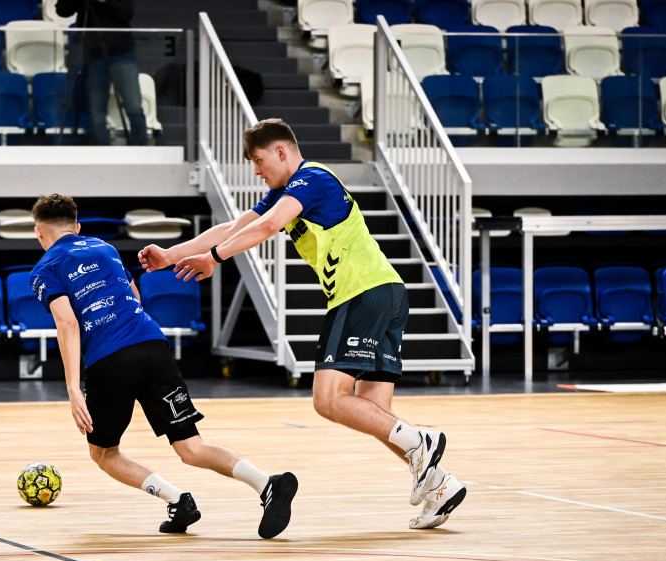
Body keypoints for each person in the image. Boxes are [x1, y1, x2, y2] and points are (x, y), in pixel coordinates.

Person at [138, 118, 467, 530]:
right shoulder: (286, 191)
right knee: (375, 413)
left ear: (281, 152)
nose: (257, 171)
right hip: (386, 292)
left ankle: (424, 441)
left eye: (259, 161)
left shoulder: (311, 179)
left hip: (360, 293)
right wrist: (172, 254)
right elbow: (237, 225)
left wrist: (215, 259)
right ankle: (440, 485)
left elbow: (267, 226)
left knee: (328, 399)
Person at [30, 193, 297, 537]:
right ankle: (267, 484)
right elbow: (135, 297)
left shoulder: (45, 268)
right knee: (191, 447)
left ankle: (177, 499)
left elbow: (67, 324)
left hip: (109, 359)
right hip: (152, 345)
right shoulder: (105, 248)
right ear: (77, 228)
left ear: (39, 233)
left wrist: (72, 388)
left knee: (104, 453)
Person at [55, 0, 147, 146]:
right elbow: (62, 10)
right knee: (96, 112)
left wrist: (104, 2)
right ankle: (103, 154)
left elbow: (127, 14)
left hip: (122, 53)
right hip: (94, 55)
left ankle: (142, 153)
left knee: (134, 106)